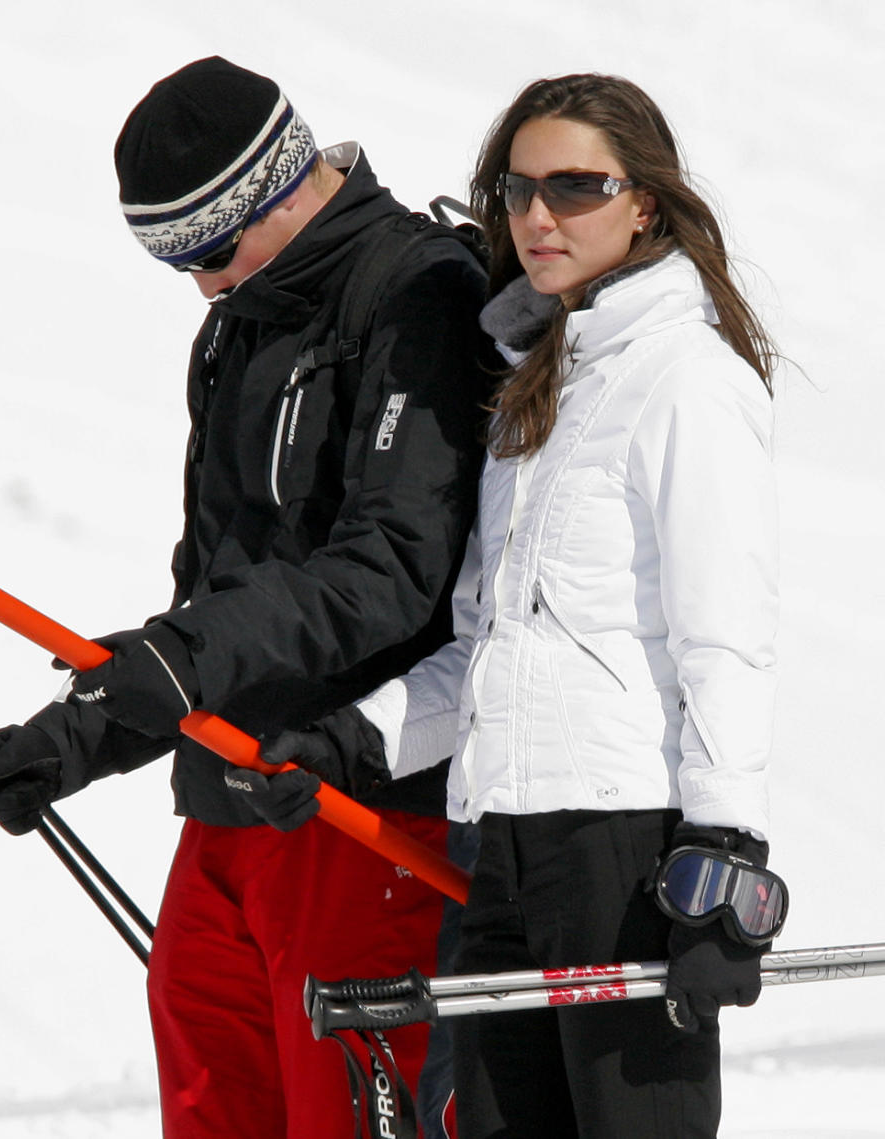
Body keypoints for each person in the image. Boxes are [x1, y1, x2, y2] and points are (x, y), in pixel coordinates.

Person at [0, 56, 495, 1138]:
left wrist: (185, 662)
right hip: (228, 804)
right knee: (213, 1101)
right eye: (176, 263)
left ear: (282, 184)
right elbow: (212, 589)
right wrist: (81, 736)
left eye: (210, 248)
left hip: (353, 808)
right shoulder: (243, 320)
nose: (202, 283)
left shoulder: (419, 295)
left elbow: (391, 565)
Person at [259, 73, 783, 1138]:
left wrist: (728, 853)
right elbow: (486, 649)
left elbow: (724, 638)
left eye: (576, 187)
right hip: (499, 840)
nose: (540, 217)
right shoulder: (532, 396)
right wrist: (349, 742)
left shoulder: (685, 378)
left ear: (645, 202)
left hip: (624, 849)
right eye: (518, 189)